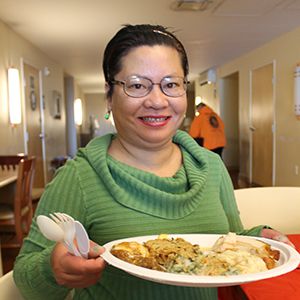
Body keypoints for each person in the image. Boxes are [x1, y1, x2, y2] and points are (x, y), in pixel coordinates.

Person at [14, 24, 293, 300]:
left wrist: (258, 237)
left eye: (171, 84)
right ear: (110, 96)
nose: (158, 101)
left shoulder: (210, 165)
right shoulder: (79, 177)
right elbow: (26, 281)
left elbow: (228, 238)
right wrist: (53, 269)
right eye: (137, 85)